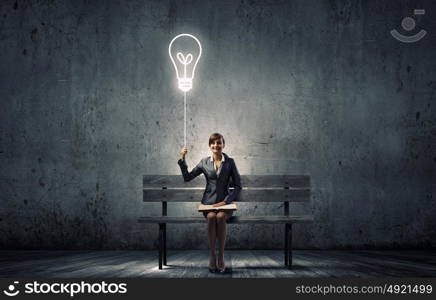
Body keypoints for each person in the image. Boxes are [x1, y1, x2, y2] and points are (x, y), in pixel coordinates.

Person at [178, 133, 242, 273]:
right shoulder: (204, 162)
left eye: (219, 143)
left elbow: (238, 186)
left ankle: (221, 257)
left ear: (223, 145)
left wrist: (226, 201)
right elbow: (187, 177)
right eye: (213, 143)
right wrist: (182, 158)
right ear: (209, 146)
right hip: (208, 203)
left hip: (225, 204)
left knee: (220, 217)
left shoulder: (230, 162)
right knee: (212, 217)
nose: (216, 146)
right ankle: (212, 256)